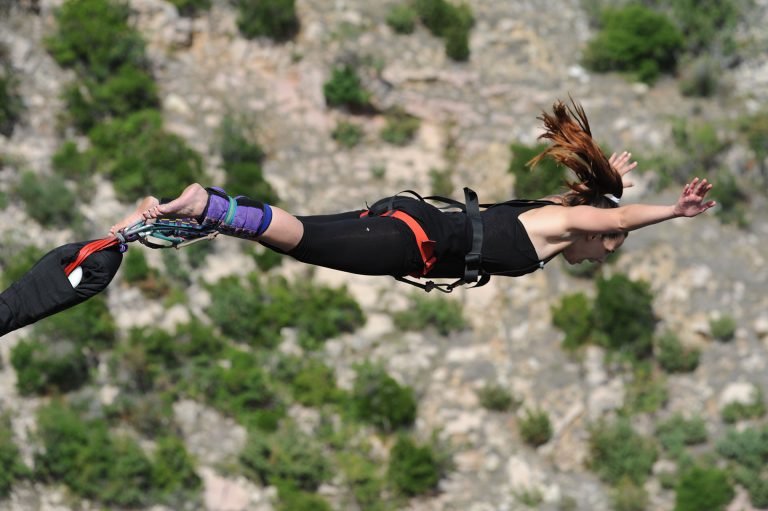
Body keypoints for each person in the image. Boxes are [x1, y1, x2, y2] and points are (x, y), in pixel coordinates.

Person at [109, 100, 716, 289]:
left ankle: (183, 212)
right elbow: (621, 217)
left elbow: (604, 206)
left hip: (408, 219)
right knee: (300, 240)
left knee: (287, 232)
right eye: (610, 246)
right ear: (596, 230)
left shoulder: (558, 216)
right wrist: (671, 211)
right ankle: (206, 206)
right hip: (412, 239)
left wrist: (608, 181)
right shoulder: (562, 228)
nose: (606, 255)